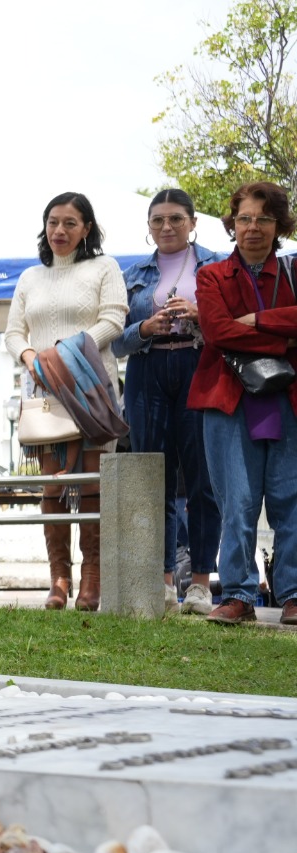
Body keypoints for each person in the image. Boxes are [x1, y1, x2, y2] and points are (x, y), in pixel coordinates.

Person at [2, 192, 127, 611]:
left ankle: (93, 578)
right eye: (53, 222)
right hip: (43, 393)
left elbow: (113, 318)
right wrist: (32, 357)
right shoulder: (29, 277)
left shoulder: (104, 267)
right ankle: (59, 578)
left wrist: (66, 353)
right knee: (52, 487)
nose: (60, 230)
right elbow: (13, 333)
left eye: (70, 223)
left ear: (87, 228)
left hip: (91, 386)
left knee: (91, 486)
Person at [188, 180, 297, 626]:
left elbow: (235, 329)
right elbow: (216, 332)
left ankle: (292, 594)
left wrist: (256, 320)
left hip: (288, 397)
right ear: (232, 224)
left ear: (279, 225)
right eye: (245, 218)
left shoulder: (293, 272)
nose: (253, 227)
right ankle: (237, 593)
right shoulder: (211, 275)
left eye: (264, 218)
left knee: (292, 498)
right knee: (236, 501)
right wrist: (283, 338)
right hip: (227, 397)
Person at [113, 190, 224, 615]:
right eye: (157, 220)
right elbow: (116, 342)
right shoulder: (132, 273)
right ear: (148, 226)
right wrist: (145, 326)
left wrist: (200, 315)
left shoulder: (216, 265)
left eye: (175, 218)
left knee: (202, 479)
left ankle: (199, 583)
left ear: (193, 222)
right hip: (148, 370)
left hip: (199, 364)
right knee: (152, 476)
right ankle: (159, 582)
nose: (166, 227)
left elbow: (229, 325)